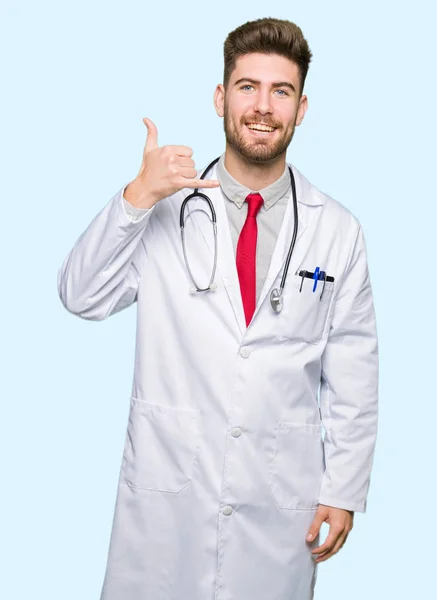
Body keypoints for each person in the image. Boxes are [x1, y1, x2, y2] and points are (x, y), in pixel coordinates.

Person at [57, 17, 379, 600]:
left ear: (301, 108)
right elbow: (80, 295)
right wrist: (137, 197)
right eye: (247, 87)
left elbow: (353, 370)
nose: (262, 107)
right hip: (166, 502)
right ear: (220, 97)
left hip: (279, 505)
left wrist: (344, 488)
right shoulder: (163, 209)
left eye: (280, 91)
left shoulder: (338, 231)